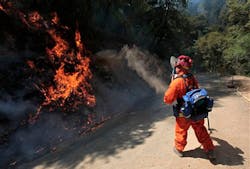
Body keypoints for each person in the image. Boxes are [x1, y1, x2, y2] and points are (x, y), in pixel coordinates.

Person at [163, 55, 215, 160]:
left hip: (183, 114)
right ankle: (209, 149)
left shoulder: (177, 82)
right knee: (201, 129)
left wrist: (173, 82)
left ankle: (179, 149)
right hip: (196, 111)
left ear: (179, 67)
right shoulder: (191, 77)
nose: (175, 68)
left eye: (176, 66)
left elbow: (167, 99)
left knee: (181, 130)